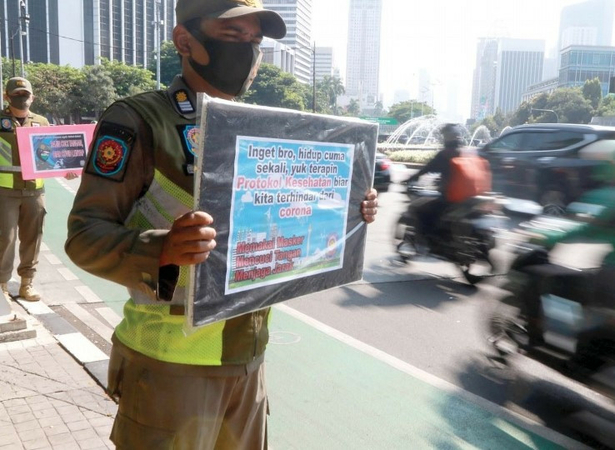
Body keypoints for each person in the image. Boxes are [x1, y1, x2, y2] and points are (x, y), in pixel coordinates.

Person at [64, 1, 378, 448]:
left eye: (255, 41)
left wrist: (350, 209)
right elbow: (83, 237)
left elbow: (290, 210)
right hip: (171, 364)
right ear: (185, 41)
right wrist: (163, 249)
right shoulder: (140, 120)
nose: (247, 52)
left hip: (248, 358)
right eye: (232, 36)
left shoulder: (263, 129)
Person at [0, 77, 56, 301]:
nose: (22, 98)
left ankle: (26, 284)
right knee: (5, 238)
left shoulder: (41, 122)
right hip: (5, 192)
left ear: (33, 97)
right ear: (6, 97)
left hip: (35, 192)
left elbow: (51, 155)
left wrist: (66, 167)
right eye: (17, 94)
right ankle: (2, 284)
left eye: (25, 94)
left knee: (33, 238)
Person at [405, 123, 463, 237]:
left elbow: (428, 168)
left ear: (446, 137)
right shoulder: (464, 153)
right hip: (467, 199)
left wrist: (413, 177)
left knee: (420, 209)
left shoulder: (445, 154)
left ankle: (425, 242)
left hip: (450, 198)